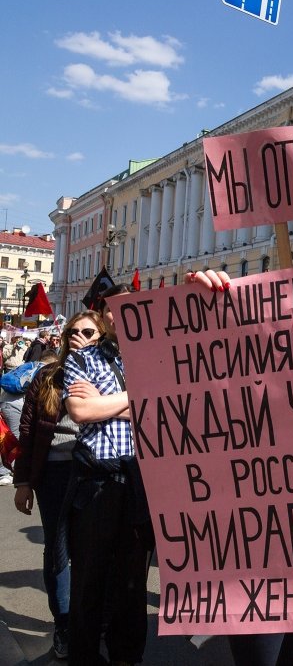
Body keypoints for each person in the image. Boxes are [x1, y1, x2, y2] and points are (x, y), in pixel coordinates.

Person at [61, 284, 152, 666]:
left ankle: (126, 657)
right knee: (89, 579)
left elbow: (168, 405)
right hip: (97, 481)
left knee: (133, 582)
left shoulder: (152, 356)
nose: (123, 315)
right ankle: (84, 655)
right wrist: (141, 398)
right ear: (105, 316)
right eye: (116, 310)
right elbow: (81, 413)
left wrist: (105, 403)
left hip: (139, 483)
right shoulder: (81, 359)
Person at [12, 311, 103, 660]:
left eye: (89, 332)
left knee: (93, 552)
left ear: (101, 337)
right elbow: (28, 430)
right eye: (74, 331)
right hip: (54, 474)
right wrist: (23, 482)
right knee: (58, 551)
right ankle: (64, 624)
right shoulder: (48, 376)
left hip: (95, 471)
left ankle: (91, 624)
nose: (80, 336)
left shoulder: (109, 375)